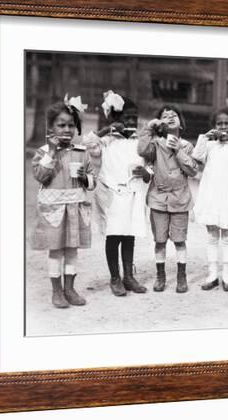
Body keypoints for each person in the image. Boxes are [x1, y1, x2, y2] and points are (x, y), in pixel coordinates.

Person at [30, 95, 96, 308]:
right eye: (61, 125)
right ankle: (56, 291)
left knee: (72, 250)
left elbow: (93, 181)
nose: (67, 129)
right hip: (54, 211)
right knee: (56, 250)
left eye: (71, 125)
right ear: (51, 127)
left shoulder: (82, 153)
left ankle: (70, 289)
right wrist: (51, 152)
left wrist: (85, 178)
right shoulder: (43, 152)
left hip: (75, 208)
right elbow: (41, 176)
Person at [83, 90, 150, 297]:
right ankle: (115, 277)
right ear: (115, 119)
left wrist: (145, 172)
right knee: (114, 236)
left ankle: (128, 276)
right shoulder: (105, 141)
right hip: (111, 193)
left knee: (129, 235)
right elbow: (88, 143)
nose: (130, 122)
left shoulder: (139, 141)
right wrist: (106, 130)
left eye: (134, 118)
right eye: (126, 118)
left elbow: (149, 166)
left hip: (132, 192)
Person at [137, 105, 198, 293]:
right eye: (165, 116)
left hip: (180, 198)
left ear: (181, 122)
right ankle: (160, 276)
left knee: (180, 240)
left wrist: (178, 150)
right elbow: (141, 150)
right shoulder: (154, 144)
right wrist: (149, 127)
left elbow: (192, 170)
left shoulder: (186, 145)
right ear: (160, 124)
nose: (170, 117)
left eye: (174, 115)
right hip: (158, 198)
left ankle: (181, 276)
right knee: (160, 240)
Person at [192, 108, 228, 291]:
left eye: (227, 123)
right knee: (212, 235)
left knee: (227, 237)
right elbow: (196, 157)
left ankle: (227, 274)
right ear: (214, 126)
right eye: (219, 123)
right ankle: (212, 273)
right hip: (211, 195)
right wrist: (205, 137)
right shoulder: (209, 146)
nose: (223, 127)